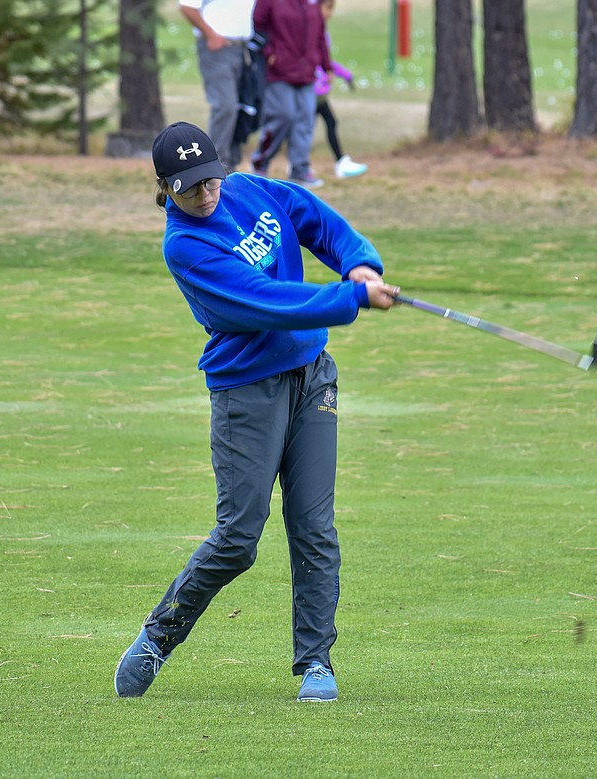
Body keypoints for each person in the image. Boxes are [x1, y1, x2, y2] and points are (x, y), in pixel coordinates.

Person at [114, 121, 400, 703]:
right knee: (239, 536)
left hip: (312, 374)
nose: (205, 195)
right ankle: (157, 636)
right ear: (165, 188)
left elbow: (310, 213)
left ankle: (316, 663)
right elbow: (265, 302)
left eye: (210, 181)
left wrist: (357, 262)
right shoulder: (186, 248)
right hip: (247, 392)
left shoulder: (247, 189)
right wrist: (350, 299)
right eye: (188, 188)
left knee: (314, 526)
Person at [249, 0, 331, 188]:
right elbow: (258, 26)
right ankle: (261, 161)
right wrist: (270, 53)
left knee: (305, 119)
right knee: (283, 116)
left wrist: (326, 64)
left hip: (307, 70)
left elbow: (320, 33)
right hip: (279, 70)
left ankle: (300, 169)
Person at [178, 0, 258, 171]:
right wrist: (211, 34)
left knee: (242, 106)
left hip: (242, 49)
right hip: (218, 48)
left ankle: (231, 163)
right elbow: (187, 7)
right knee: (225, 105)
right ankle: (215, 164)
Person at [315, 0, 367, 179]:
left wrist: (345, 74)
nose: (330, 13)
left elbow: (326, 61)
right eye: (327, 8)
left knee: (318, 125)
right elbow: (312, 60)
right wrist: (320, 78)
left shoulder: (321, 32)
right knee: (318, 125)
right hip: (312, 90)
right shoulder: (312, 31)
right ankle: (339, 163)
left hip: (318, 92)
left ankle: (340, 162)